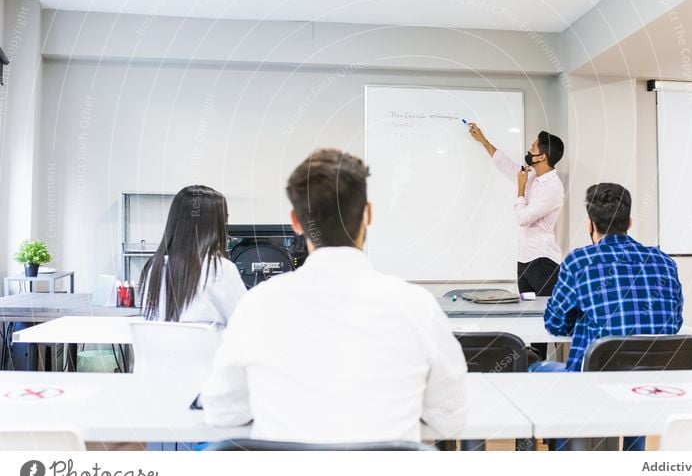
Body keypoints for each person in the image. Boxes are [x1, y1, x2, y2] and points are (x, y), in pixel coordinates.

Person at [201, 149, 467, 443]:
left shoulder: (256, 305)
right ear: (368, 214)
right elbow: (449, 420)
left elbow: (221, 412)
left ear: (296, 221)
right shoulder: (417, 306)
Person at [538, 182, 684, 451]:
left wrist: (584, 317)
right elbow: (673, 324)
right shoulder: (664, 261)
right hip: (649, 387)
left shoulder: (580, 261)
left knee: (535, 369)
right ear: (629, 222)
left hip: (592, 385)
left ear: (590, 223)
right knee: (634, 369)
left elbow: (555, 323)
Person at [468, 125, 565, 297]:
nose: (529, 149)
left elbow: (523, 218)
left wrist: (520, 188)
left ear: (542, 156)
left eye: (533, 147)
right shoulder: (534, 176)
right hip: (525, 260)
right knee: (527, 312)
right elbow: (506, 165)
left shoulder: (552, 187)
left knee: (545, 314)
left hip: (542, 261)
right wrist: (483, 140)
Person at [139, 185, 246, 329]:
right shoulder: (220, 269)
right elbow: (244, 322)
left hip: (162, 351)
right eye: (224, 220)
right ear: (213, 227)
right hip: (210, 351)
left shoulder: (155, 267)